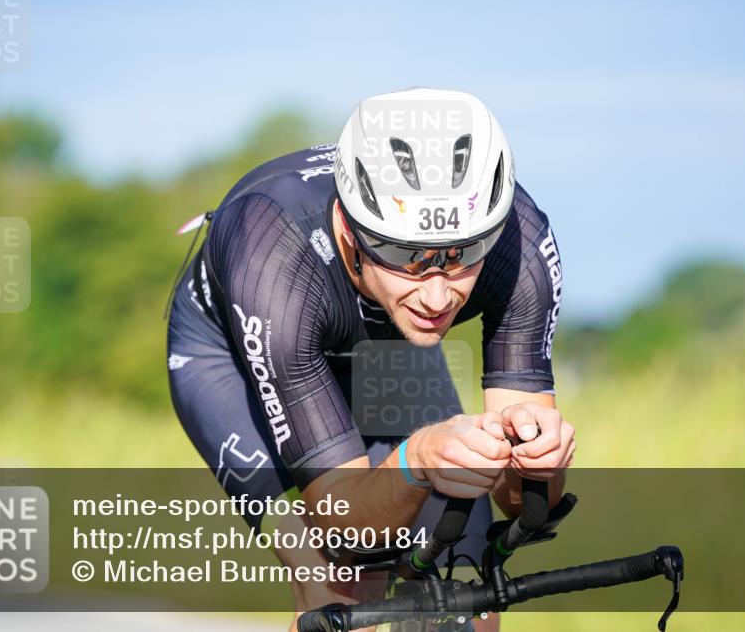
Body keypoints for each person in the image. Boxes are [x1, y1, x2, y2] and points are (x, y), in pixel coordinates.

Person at [166, 88, 575, 631]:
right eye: (407, 258)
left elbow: (518, 504)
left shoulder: (517, 244)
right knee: (341, 584)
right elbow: (345, 525)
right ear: (347, 231)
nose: (437, 297)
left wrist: (540, 466)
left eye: (462, 256)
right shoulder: (272, 251)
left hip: (384, 347)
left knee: (463, 592)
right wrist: (419, 459)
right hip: (233, 356)